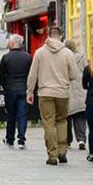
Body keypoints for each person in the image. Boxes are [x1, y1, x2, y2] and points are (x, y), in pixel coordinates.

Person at [27, 26, 77, 165]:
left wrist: (30, 91)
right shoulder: (68, 53)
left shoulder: (39, 52)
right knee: (61, 121)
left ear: (48, 36)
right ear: (60, 36)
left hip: (45, 92)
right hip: (62, 93)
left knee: (49, 123)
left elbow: (32, 75)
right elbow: (74, 75)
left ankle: (52, 155)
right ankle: (62, 152)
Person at [0, 34, 32, 149]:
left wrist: (5, 86)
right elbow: (31, 75)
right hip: (23, 89)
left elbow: (1, 75)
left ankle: (10, 138)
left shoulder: (6, 57)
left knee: (10, 115)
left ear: (12, 44)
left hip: (10, 90)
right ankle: (21, 139)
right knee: (22, 115)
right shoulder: (28, 57)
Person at [64, 39, 87, 151]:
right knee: (80, 116)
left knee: (67, 117)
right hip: (80, 90)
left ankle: (67, 141)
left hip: (67, 90)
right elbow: (87, 72)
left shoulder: (64, 58)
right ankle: (81, 139)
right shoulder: (82, 58)